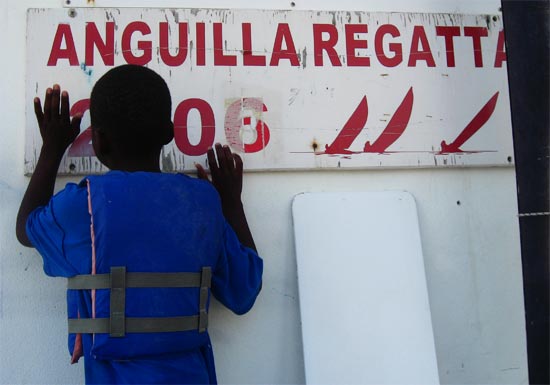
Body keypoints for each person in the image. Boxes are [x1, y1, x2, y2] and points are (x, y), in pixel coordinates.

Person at [15, 64, 263, 384]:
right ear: (170, 134)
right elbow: (243, 292)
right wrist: (231, 203)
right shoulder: (203, 202)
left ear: (98, 141)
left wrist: (51, 148)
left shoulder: (83, 206)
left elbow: (26, 230)